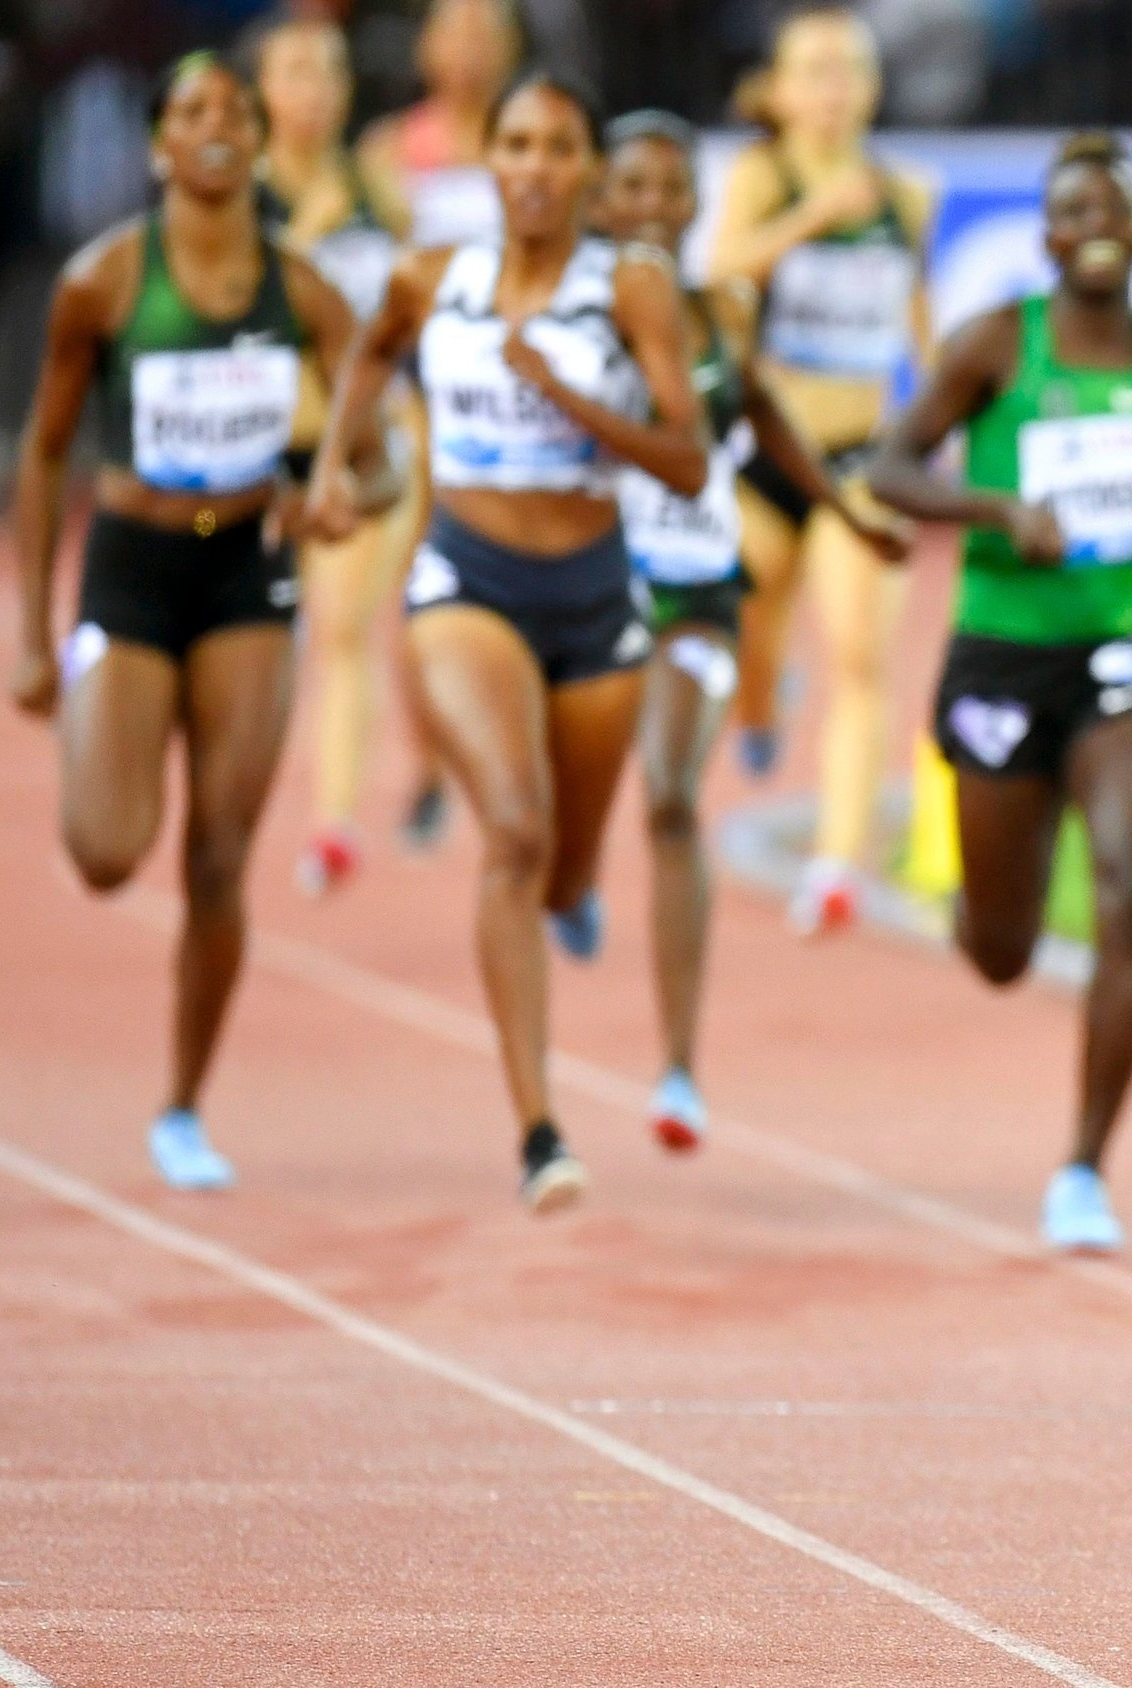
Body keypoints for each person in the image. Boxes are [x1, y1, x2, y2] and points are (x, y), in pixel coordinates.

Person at [308, 70, 710, 1213]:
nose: (535, 168)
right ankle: (539, 1127)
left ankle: (574, 887)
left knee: (569, 865)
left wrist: (568, 399)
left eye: (558, 148)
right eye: (517, 145)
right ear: (491, 161)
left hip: (593, 594)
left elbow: (685, 459)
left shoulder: (629, 288)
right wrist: (348, 465)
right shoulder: (437, 277)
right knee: (514, 831)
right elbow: (372, 353)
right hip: (466, 579)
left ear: (587, 169)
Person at [863, 130, 1132, 1252]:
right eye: (1072, 211)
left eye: (1113, 209)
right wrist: (1000, 515)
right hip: (1000, 659)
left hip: (1121, 659)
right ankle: (985, 895)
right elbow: (888, 467)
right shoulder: (995, 346)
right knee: (1001, 952)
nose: (1094, 227)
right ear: (1049, 238)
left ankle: (1084, 1166)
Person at [7, 51, 368, 1190]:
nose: (216, 126)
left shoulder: (307, 291)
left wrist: (350, 489)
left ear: (260, 142)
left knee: (218, 858)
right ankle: (95, 701)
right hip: (132, 566)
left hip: (249, 574)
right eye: (194, 110)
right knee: (111, 854)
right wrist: (30, 630)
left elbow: (383, 452)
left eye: (236, 112)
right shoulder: (106, 282)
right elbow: (45, 448)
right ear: (160, 142)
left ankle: (182, 1105)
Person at [593, 109, 896, 1152]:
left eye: (671, 190)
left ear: (693, 206)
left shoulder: (723, 312)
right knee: (548, 800)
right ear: (599, 200)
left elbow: (763, 408)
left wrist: (849, 508)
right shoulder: (566, 315)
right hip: (581, 588)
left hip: (690, 585)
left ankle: (677, 1067)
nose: (650, 208)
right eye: (629, 187)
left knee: (674, 791)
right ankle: (557, 874)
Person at [706, 5, 930, 936]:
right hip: (765, 453)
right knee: (750, 615)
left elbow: (922, 310)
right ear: (784, 90)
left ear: (872, 89)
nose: (835, 87)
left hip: (858, 462)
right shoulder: (764, 175)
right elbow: (717, 277)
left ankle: (837, 863)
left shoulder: (903, 193)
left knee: (859, 658)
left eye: (851, 69)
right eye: (817, 70)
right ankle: (758, 703)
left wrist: (950, 408)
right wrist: (805, 220)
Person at [251, 12, 432, 899]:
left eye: (328, 72)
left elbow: (406, 317)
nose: (314, 90)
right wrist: (299, 235)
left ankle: (333, 824)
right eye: (294, 72)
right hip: (249, 474)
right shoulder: (243, 199)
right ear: (262, 93)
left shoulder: (378, 190)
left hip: (359, 455)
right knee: (244, 629)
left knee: (343, 628)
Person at [355, 0, 516, 250]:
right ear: (426, 44)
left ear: (510, 46)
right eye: (455, 37)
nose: (469, 52)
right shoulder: (385, 146)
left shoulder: (535, 143)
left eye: (480, 38)